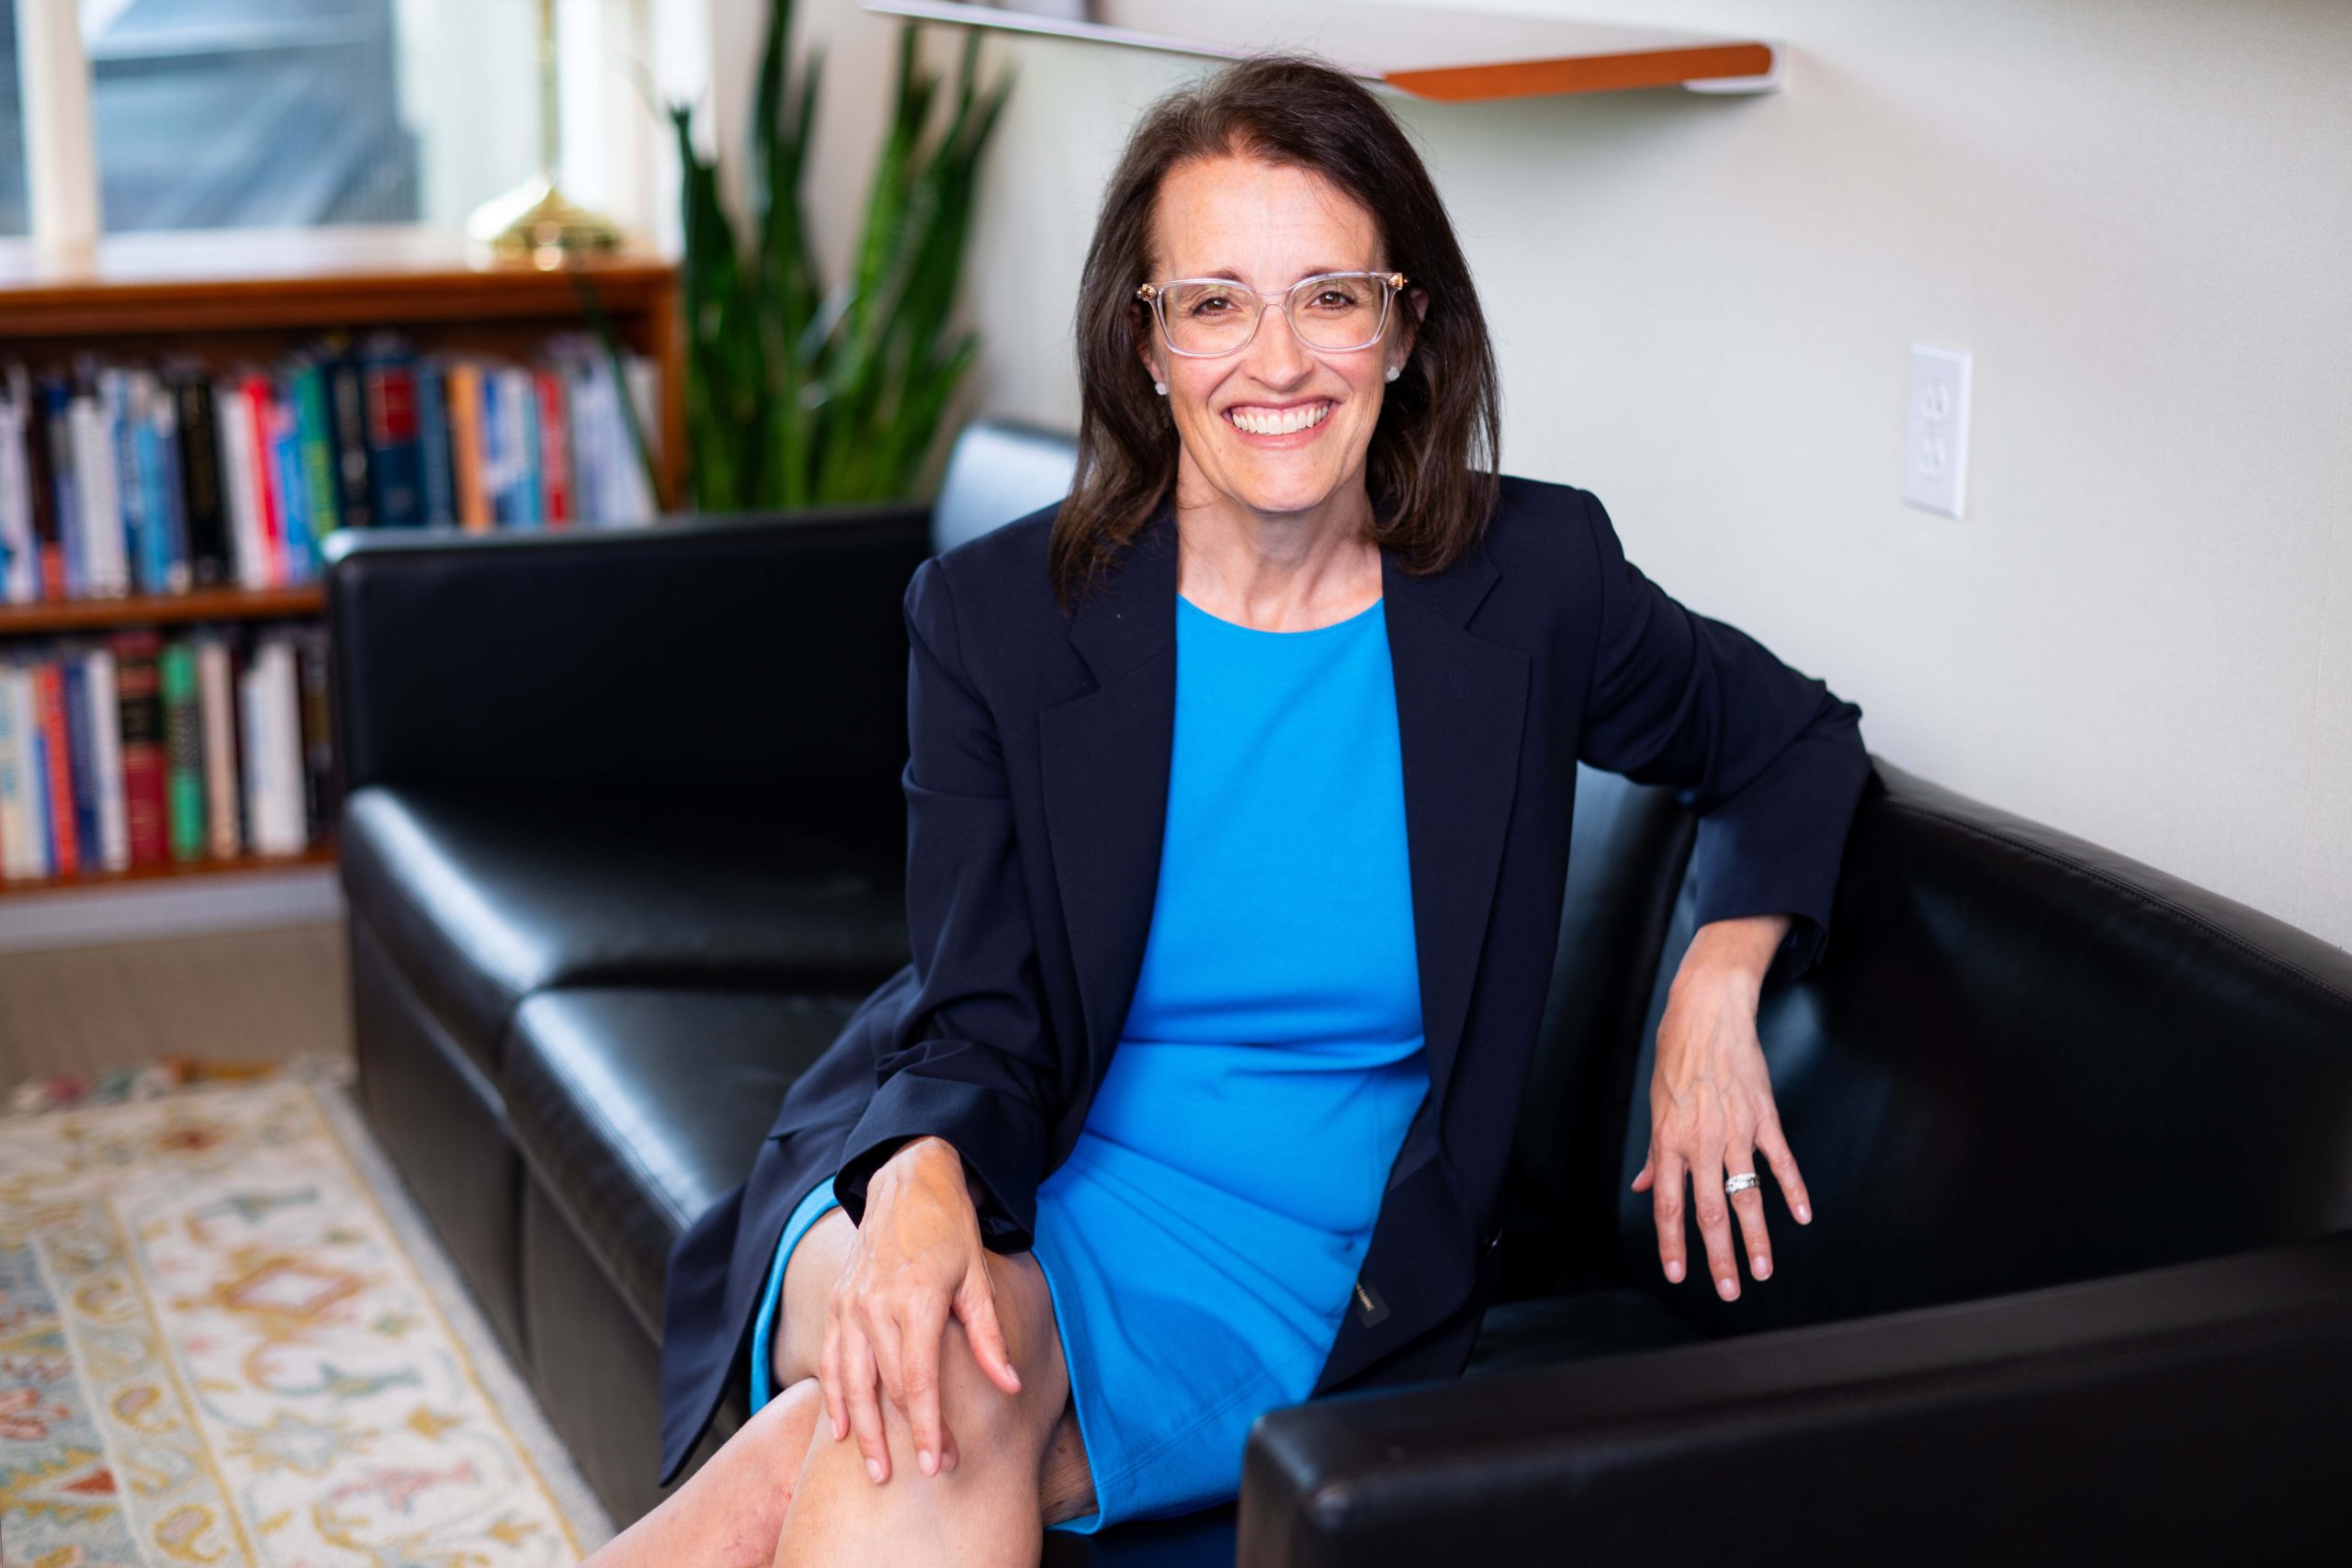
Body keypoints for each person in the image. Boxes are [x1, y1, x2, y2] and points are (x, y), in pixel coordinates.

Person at [591, 51, 1871, 1568]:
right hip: (1017, 1162)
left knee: (871, 1414)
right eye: (1214, 303)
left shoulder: (1532, 590)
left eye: (1331, 295)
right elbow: (978, 1015)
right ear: (1146, 347)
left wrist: (1715, 981)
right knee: (924, 1358)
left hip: (1313, 1258)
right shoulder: (1001, 620)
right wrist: (921, 1182)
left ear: (1406, 329)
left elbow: (1792, 739)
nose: (1279, 360)